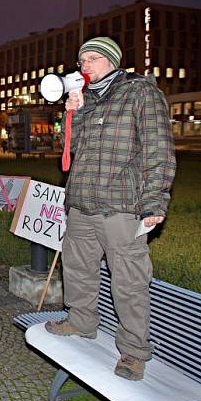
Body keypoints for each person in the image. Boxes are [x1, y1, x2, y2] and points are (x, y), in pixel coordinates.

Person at [45, 36, 177, 381]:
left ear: (111, 60)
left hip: (121, 206)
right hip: (82, 204)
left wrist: (155, 201)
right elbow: (69, 154)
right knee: (77, 269)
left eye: (90, 58)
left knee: (129, 282)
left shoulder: (140, 92)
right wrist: (73, 113)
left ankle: (134, 352)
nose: (83, 65)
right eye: (81, 60)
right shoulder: (83, 99)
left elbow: (158, 150)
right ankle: (81, 322)